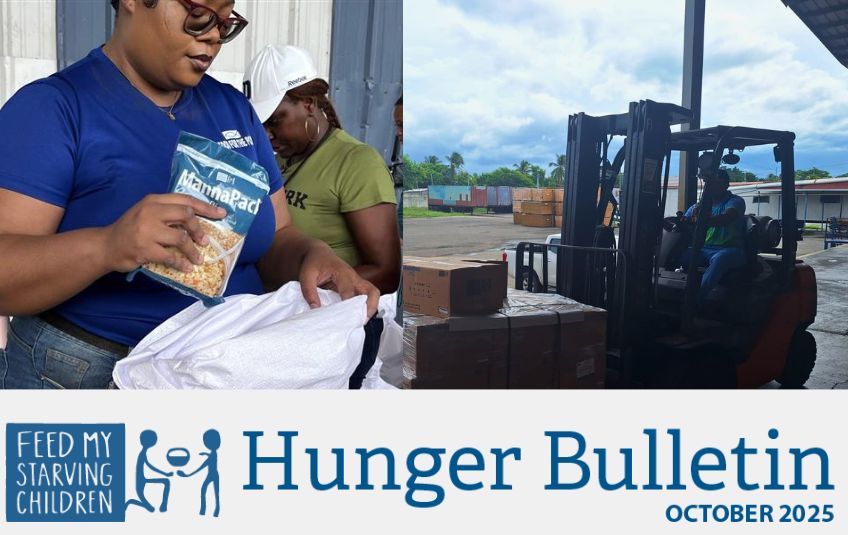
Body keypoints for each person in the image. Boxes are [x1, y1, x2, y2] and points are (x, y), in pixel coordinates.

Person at [0, 0, 377, 390]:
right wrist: (107, 246)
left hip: (224, 369)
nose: (214, 35)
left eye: (225, 21)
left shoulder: (233, 110)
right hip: (87, 369)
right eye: (199, 15)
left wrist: (312, 256)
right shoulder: (53, 109)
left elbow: (277, 236)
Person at [243, 45, 401, 387]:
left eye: (275, 121)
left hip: (329, 332)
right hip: (281, 323)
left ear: (309, 105)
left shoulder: (356, 163)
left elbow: (387, 272)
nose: (267, 135)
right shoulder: (281, 162)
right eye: (261, 126)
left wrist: (299, 296)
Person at [682, 169, 747, 304]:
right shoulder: (698, 206)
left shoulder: (735, 202)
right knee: (676, 253)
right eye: (708, 183)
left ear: (726, 185)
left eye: (716, 183)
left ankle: (693, 302)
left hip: (729, 249)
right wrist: (676, 222)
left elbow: (728, 217)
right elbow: (685, 220)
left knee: (721, 259)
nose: (710, 186)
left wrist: (702, 220)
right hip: (703, 249)